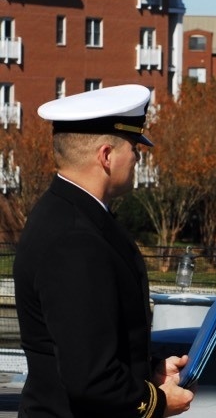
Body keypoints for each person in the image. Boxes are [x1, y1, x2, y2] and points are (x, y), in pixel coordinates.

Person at [13, 85, 194, 417]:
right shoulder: (75, 239)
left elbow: (90, 338)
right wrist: (159, 403)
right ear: (107, 156)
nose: (139, 158)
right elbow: (91, 377)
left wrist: (149, 370)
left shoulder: (71, 215)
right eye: (135, 149)